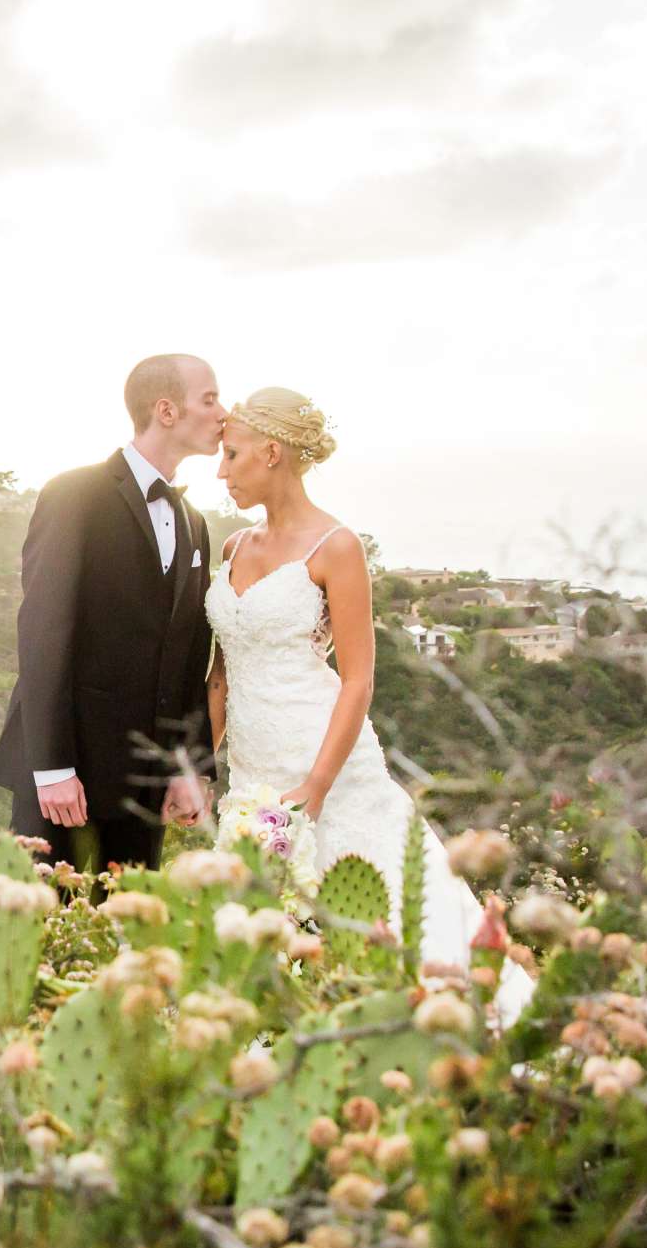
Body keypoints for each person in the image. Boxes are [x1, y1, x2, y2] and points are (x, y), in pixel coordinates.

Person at [207, 387, 534, 1020]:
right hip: (252, 765)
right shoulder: (233, 549)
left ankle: (454, 1019)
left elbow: (357, 679)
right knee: (262, 918)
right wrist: (198, 763)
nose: (221, 471)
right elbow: (220, 677)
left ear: (271, 453)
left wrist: (319, 785)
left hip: (325, 758)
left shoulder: (336, 546)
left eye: (231, 455)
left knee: (381, 896)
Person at [0, 354, 222, 870]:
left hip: (145, 783)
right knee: (38, 930)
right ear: (166, 410)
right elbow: (44, 632)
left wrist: (187, 766)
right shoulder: (75, 493)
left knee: (128, 934)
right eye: (210, 399)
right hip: (69, 772)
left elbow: (188, 658)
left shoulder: (194, 522)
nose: (223, 413)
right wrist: (51, 768)